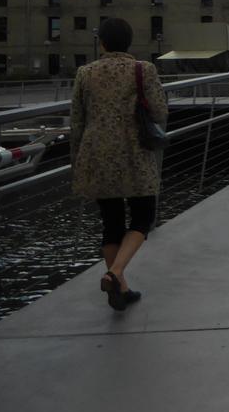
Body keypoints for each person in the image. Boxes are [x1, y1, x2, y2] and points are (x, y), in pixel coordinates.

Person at [70, 17, 168, 312]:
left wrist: (77, 161)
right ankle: (114, 275)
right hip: (134, 154)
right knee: (143, 217)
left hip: (97, 155)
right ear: (129, 42)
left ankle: (120, 289)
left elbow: (76, 122)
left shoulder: (84, 73)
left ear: (102, 43)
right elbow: (160, 112)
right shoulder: (143, 70)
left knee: (111, 222)